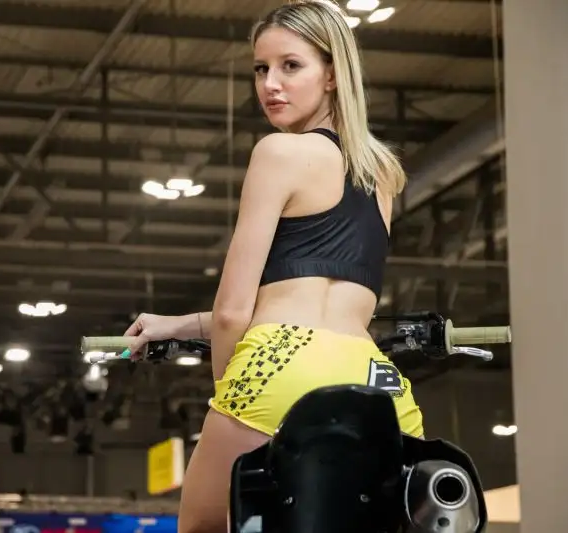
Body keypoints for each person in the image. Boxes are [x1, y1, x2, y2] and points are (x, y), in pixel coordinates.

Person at [123, 1, 424, 532]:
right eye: (261, 69)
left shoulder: (278, 153)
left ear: (332, 73)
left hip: (277, 368)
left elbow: (234, 312)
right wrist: (176, 324)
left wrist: (230, 392)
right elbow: (310, 297)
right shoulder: (381, 174)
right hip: (376, 381)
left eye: (291, 66)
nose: (270, 85)